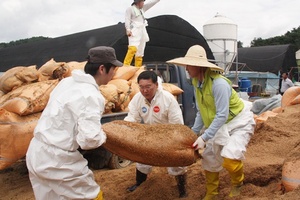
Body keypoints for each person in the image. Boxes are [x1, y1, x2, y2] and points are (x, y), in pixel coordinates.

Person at [26, 46, 123, 200]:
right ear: (102, 68)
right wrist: (105, 135)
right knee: (91, 195)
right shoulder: (91, 95)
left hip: (36, 152)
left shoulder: (67, 82)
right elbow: (89, 140)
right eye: (113, 69)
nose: (114, 74)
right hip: (57, 160)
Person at [167, 45, 256, 199]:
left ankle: (238, 183)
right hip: (219, 125)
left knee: (230, 158)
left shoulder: (219, 84)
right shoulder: (196, 83)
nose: (186, 69)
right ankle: (211, 193)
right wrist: (194, 133)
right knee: (209, 160)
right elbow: (201, 111)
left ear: (198, 66)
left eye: (188, 65)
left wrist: (204, 137)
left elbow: (222, 115)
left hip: (238, 122)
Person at [124, 70, 188, 198]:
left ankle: (182, 190)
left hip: (168, 135)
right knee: (142, 159)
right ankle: (139, 183)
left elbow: (177, 124)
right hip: (149, 134)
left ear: (156, 85)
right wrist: (123, 129)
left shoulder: (168, 99)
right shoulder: (137, 98)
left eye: (148, 87)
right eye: (141, 87)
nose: (145, 91)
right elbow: (132, 118)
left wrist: (173, 141)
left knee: (176, 162)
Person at [123, 0, 160, 67]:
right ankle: (125, 67)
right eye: (142, 2)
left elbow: (150, 3)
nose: (143, 3)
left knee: (140, 51)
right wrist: (128, 29)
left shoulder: (142, 9)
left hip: (142, 30)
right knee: (132, 49)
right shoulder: (130, 9)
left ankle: (138, 68)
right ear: (138, 2)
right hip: (134, 30)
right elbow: (127, 19)